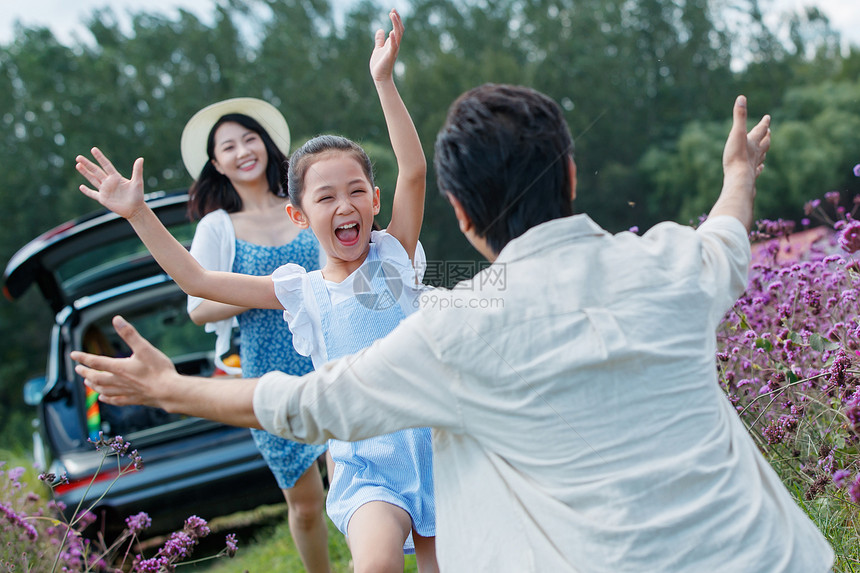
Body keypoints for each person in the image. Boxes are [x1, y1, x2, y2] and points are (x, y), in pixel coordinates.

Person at [72, 84, 836, 572]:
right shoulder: (674, 258)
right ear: (569, 175)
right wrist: (738, 174)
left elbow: (306, 401)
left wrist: (172, 388)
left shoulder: (454, 333)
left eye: (358, 193)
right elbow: (727, 235)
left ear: (460, 218)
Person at [75, 9, 438, 573]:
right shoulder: (301, 290)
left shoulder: (394, 252)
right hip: (366, 464)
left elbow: (414, 172)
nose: (344, 205)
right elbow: (197, 282)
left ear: (373, 199)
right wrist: (138, 213)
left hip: (435, 443)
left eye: (356, 191)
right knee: (375, 566)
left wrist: (385, 82)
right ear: (299, 215)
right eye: (325, 198)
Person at [179, 97, 330, 572]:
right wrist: (272, 289)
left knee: (362, 471)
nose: (243, 151)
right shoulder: (217, 226)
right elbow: (199, 308)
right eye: (228, 146)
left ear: (266, 144)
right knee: (305, 501)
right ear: (216, 163)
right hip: (266, 369)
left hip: (332, 354)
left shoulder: (302, 203)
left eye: (249, 139)